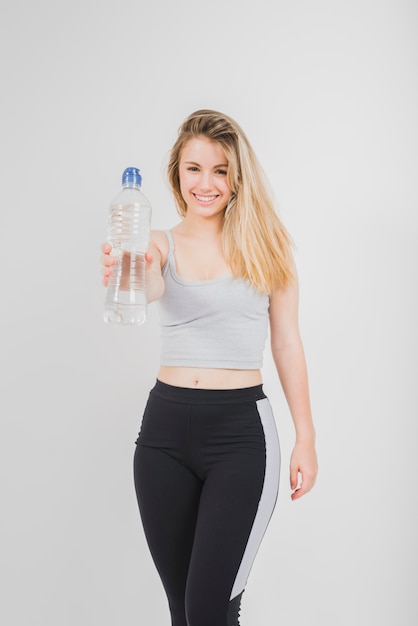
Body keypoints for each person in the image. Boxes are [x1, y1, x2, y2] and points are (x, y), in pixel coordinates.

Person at [100, 109, 318, 626]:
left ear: (236, 176)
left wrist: (305, 435)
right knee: (184, 612)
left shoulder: (268, 246)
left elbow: (287, 342)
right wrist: (129, 270)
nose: (206, 183)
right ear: (177, 172)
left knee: (210, 609)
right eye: (194, 168)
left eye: (219, 170)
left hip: (241, 436)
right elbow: (148, 286)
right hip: (164, 437)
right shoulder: (155, 242)